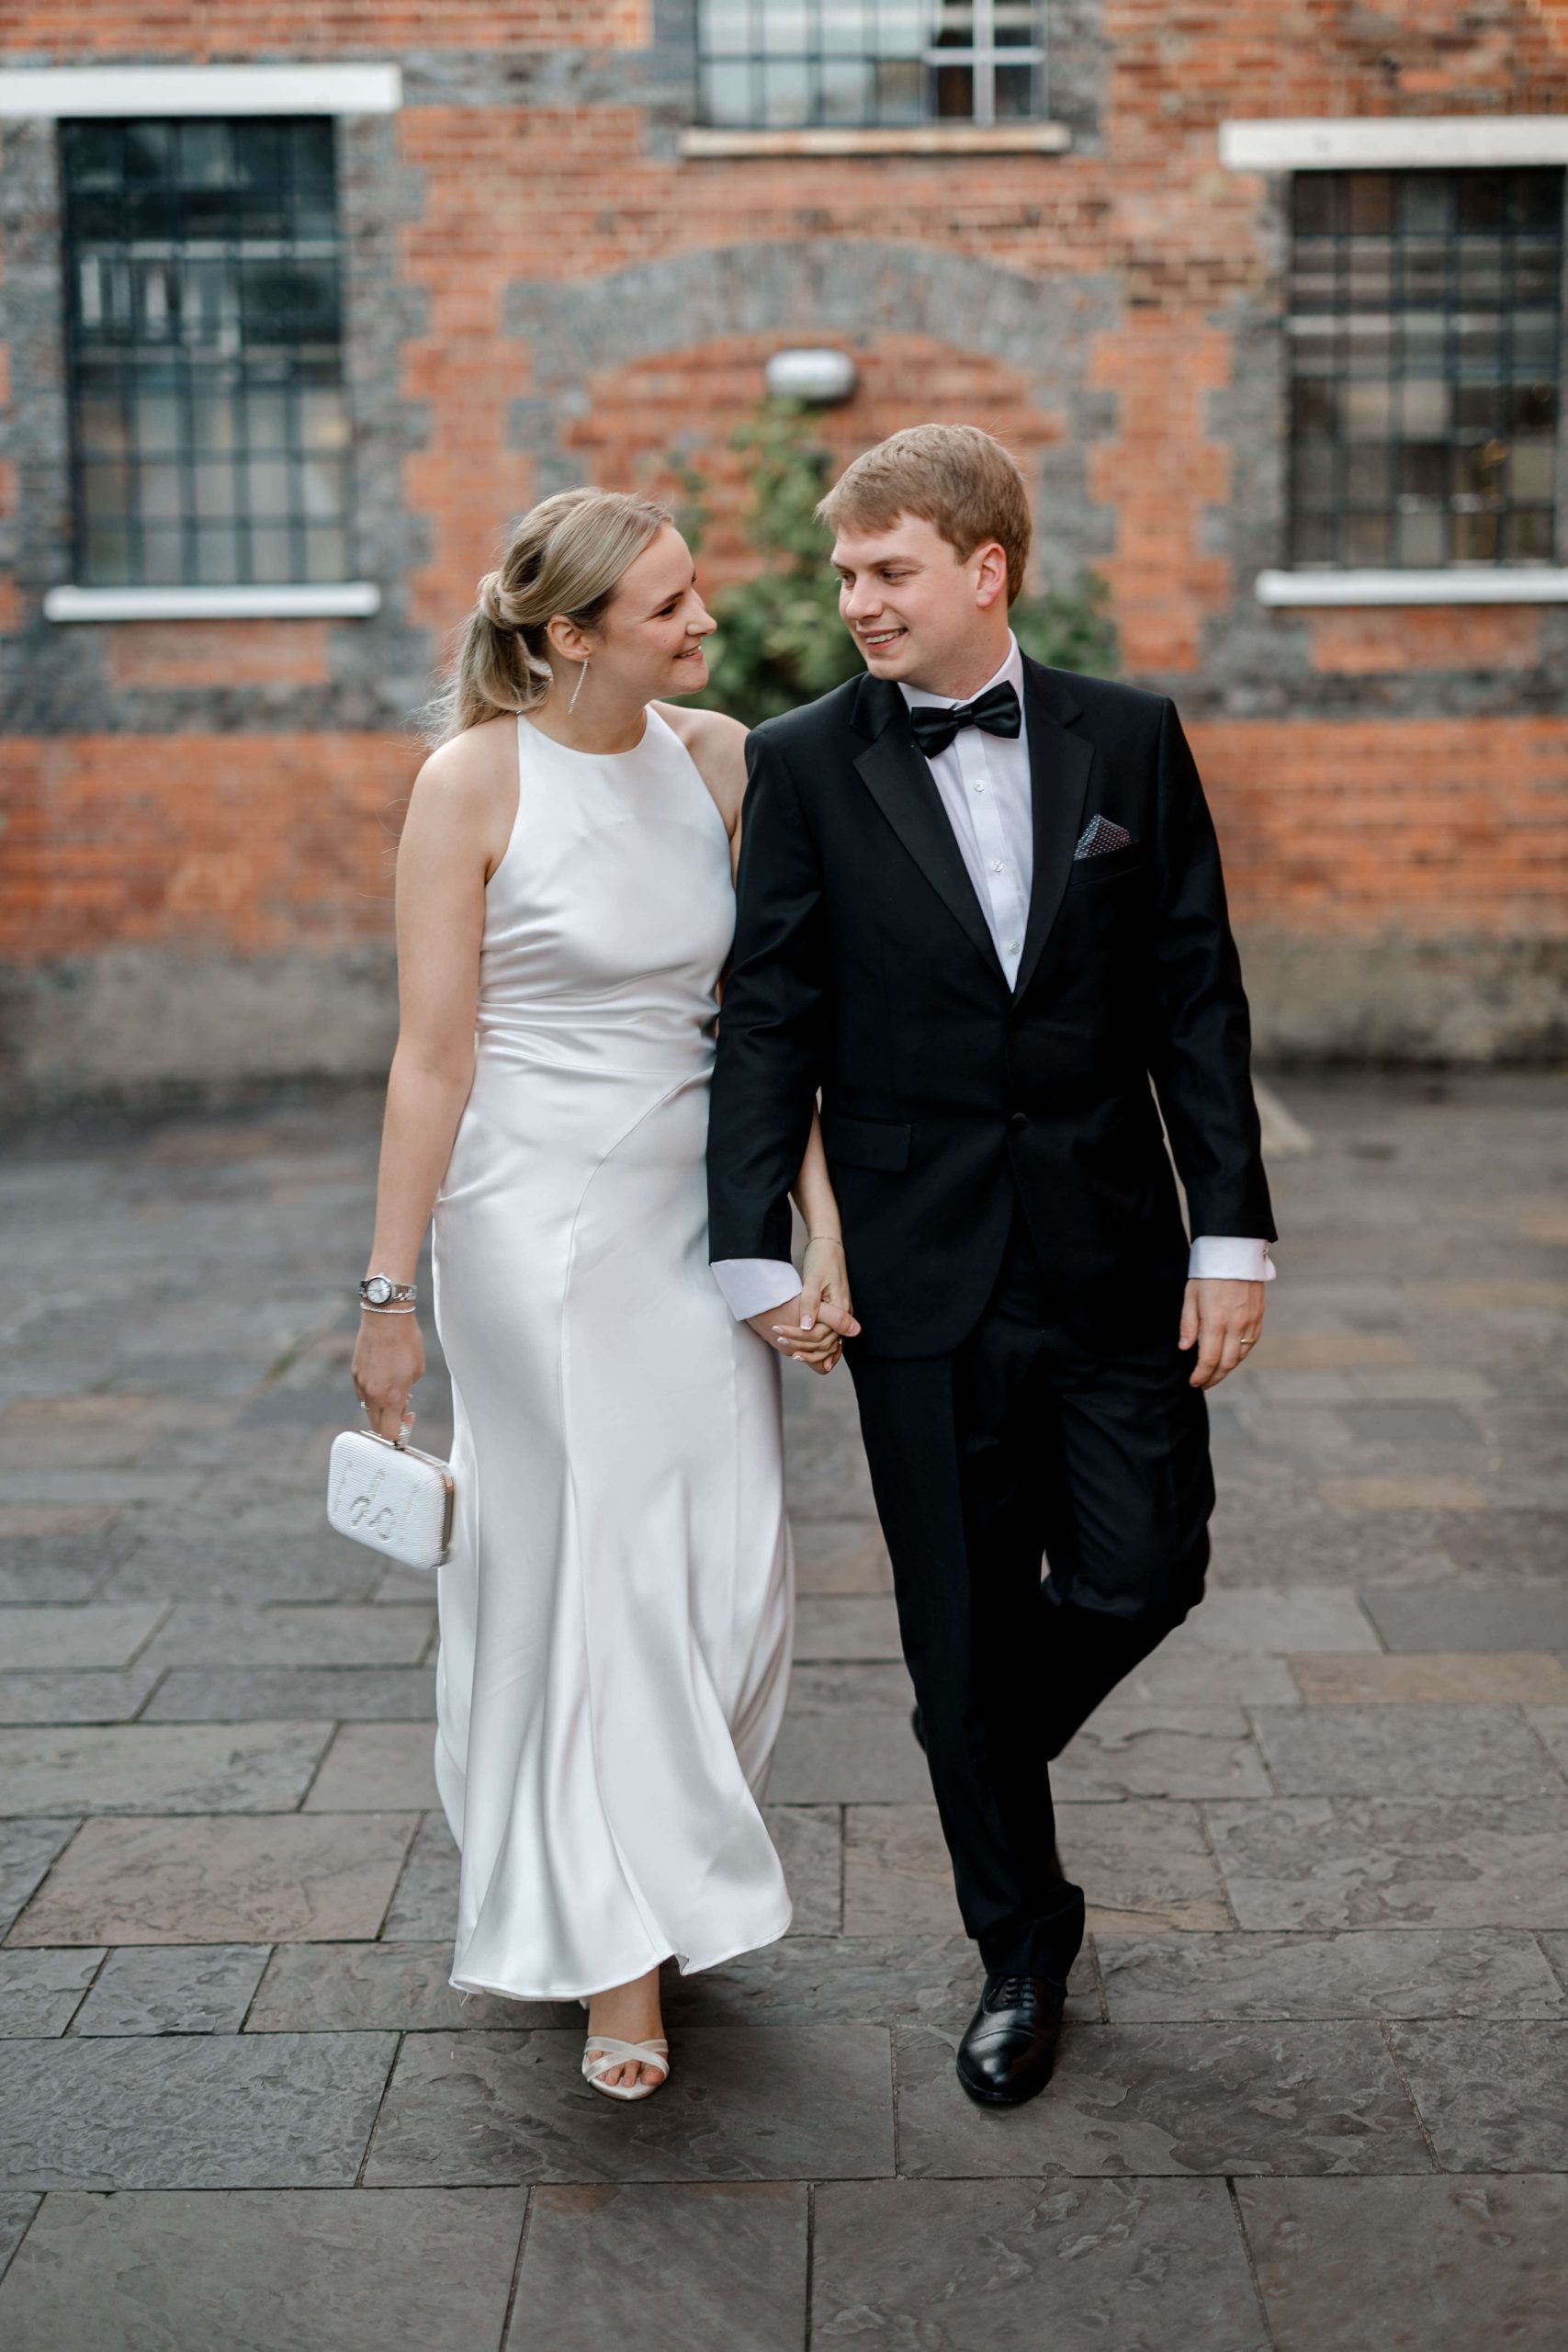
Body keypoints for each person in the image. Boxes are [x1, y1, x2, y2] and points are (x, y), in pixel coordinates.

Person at [707, 424, 1275, 2109]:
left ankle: (969, 1726)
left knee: (1145, 1567)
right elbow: (770, 1014)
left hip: (1113, 1250)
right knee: (957, 1605)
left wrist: (1230, 1233)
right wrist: (754, 1242)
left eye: (884, 572)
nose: (853, 602)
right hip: (911, 1270)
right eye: (842, 574)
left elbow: (1197, 998)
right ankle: (1020, 1949)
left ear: (983, 570)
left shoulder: (1132, 739)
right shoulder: (808, 764)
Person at [351, 488, 857, 2102]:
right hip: (530, 1229)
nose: (703, 621)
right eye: (666, 604)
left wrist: (813, 1227)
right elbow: (434, 1055)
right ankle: (615, 1963)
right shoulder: (471, 782)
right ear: (568, 635)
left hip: (692, 1209)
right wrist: (385, 1290)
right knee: (596, 1578)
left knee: (729, 1568)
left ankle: (646, 1854)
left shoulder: (719, 759)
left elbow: (776, 1026)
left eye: (694, 592)